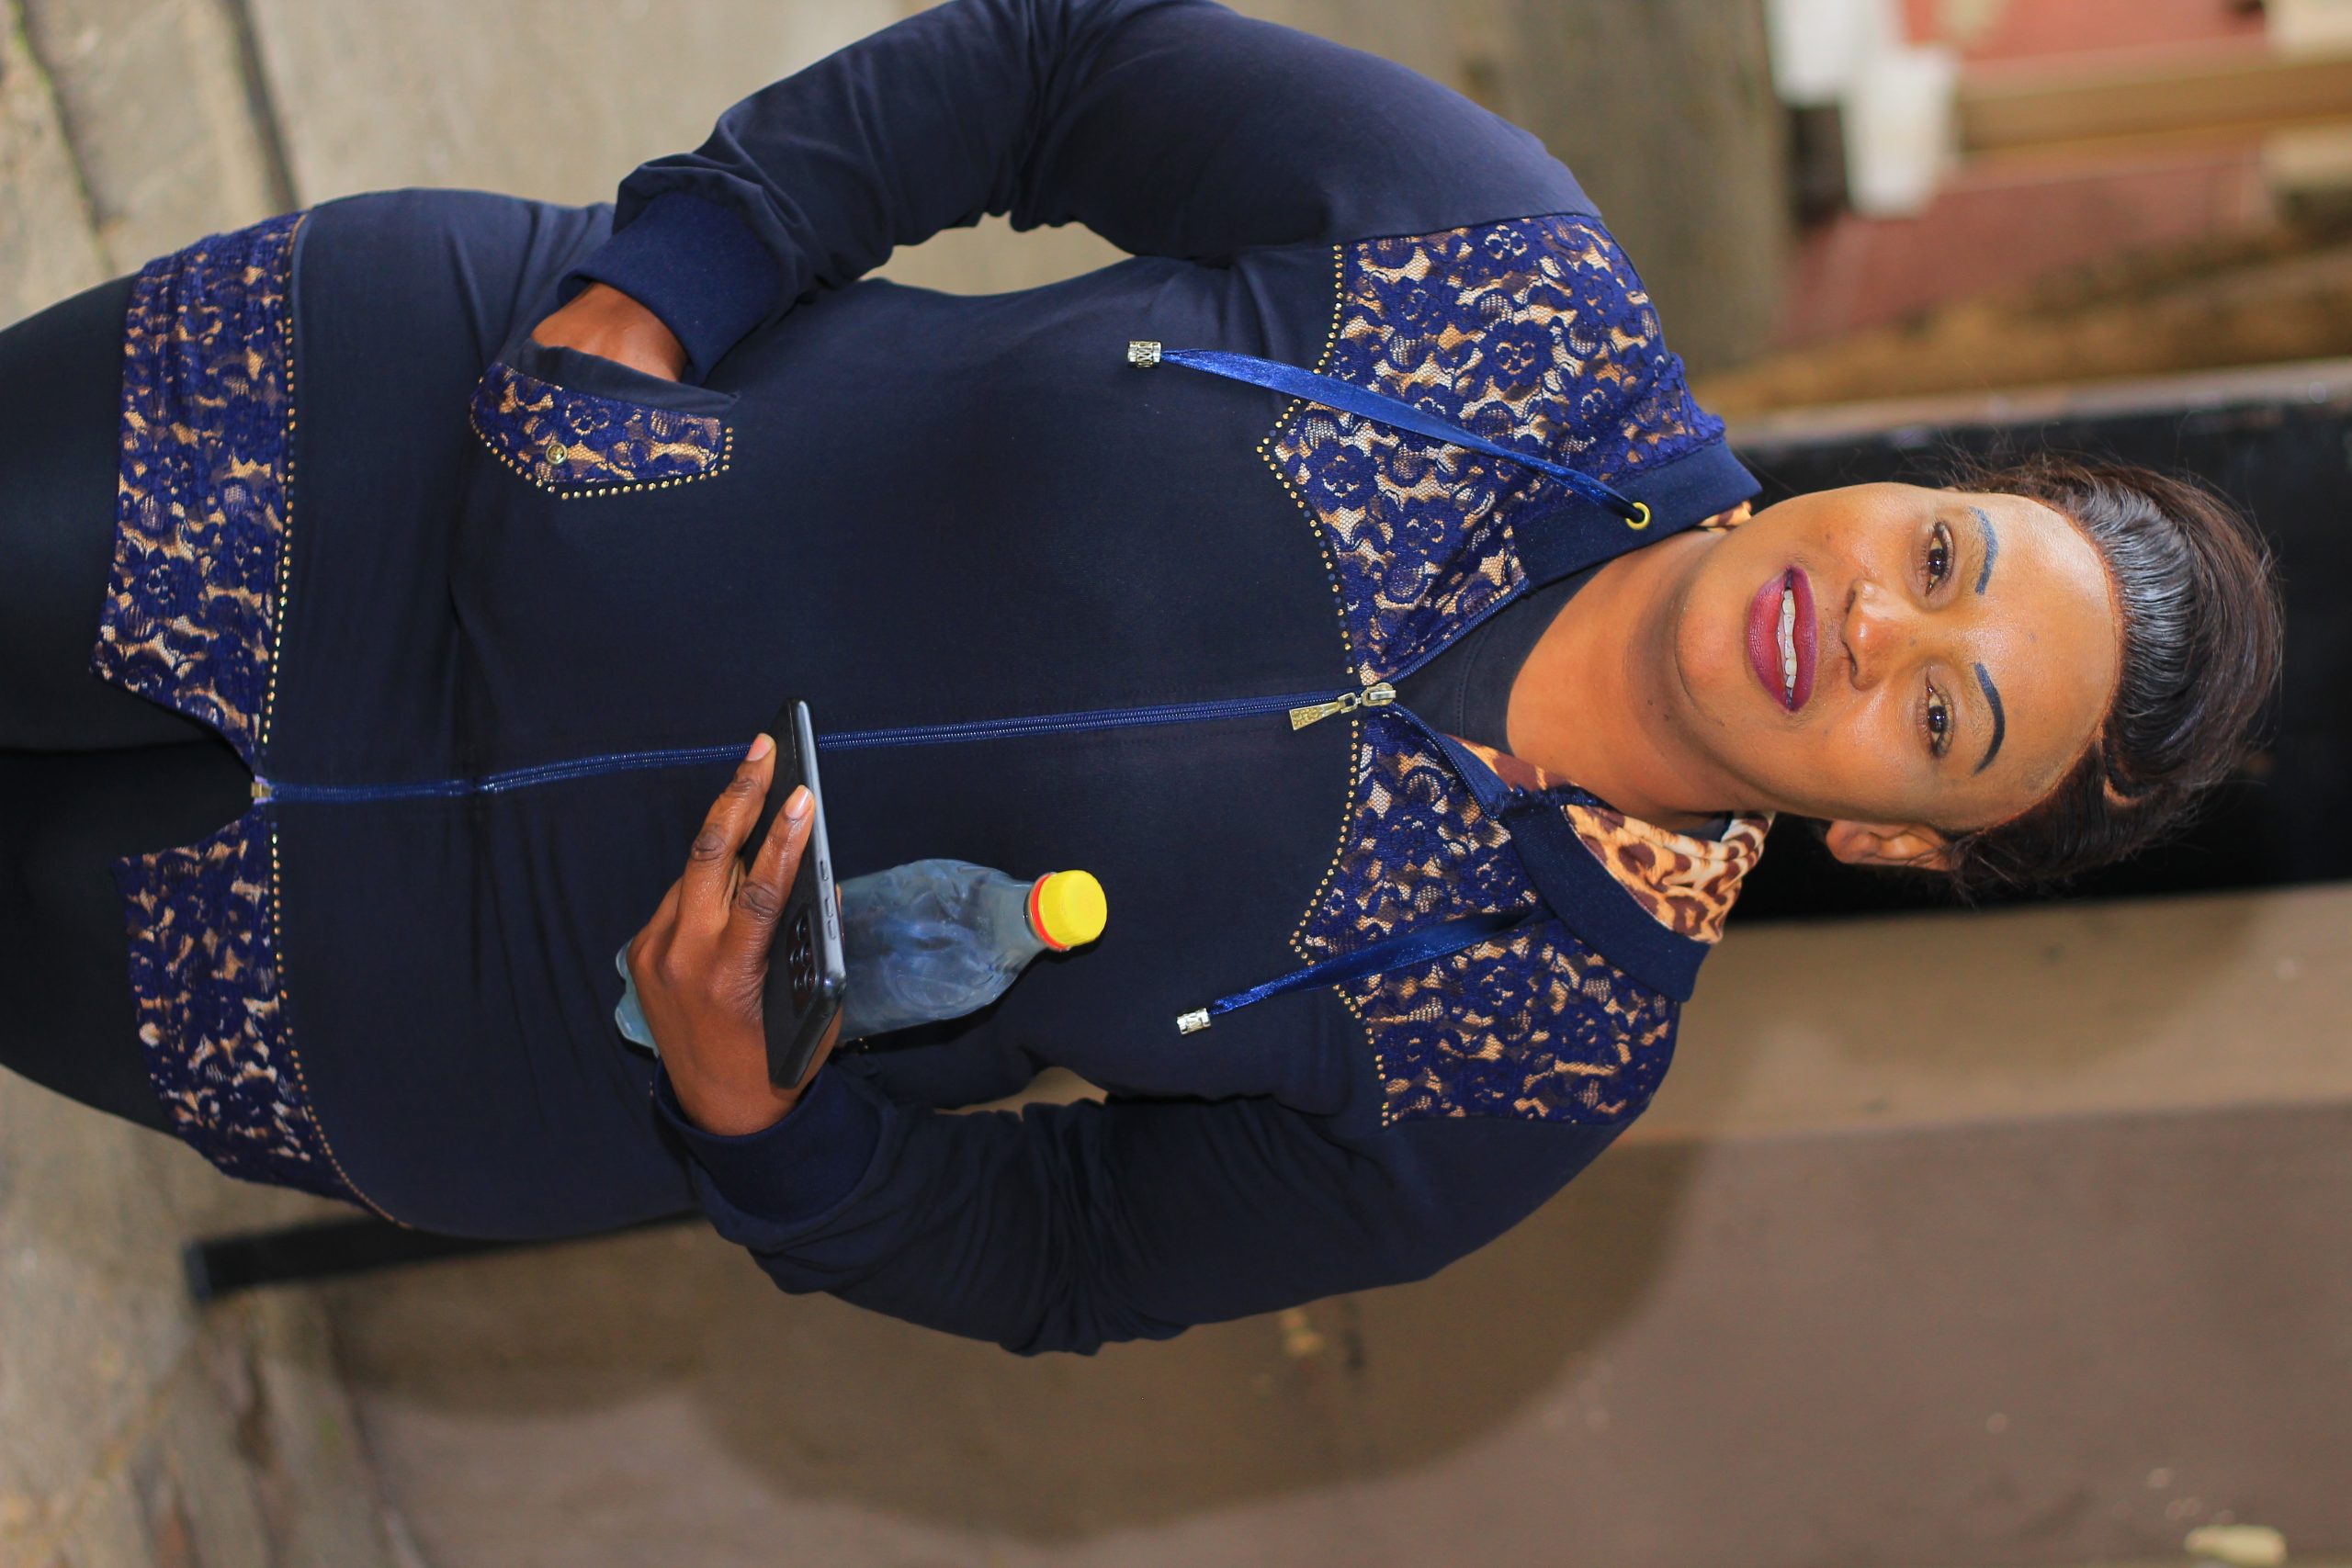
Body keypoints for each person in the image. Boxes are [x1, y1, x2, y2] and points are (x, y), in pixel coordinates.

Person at [0, 0, 2281, 1354]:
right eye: (1943, 556)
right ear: (1915, 490)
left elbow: (1062, 1258)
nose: (1876, 625)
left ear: (1895, 833)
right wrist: (675, 279)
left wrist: (769, 1126)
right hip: (387, 461)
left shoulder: (1526, 1054)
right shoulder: (1495, 276)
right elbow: (1051, 65)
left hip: (433, 1015)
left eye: (1943, 715)